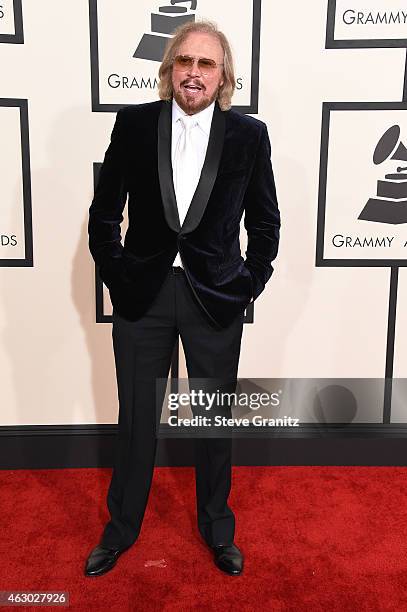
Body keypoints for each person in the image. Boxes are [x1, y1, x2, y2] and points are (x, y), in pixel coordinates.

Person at [85, 19, 280, 578]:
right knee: (137, 419)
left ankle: (218, 528)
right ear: (171, 70)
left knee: (215, 420)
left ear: (224, 79)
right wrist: (119, 277)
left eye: (207, 64)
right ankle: (121, 529)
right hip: (143, 295)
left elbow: (265, 223)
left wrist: (248, 283)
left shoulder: (248, 136)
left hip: (214, 297)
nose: (194, 72)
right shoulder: (134, 124)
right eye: (185, 62)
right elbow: (104, 214)